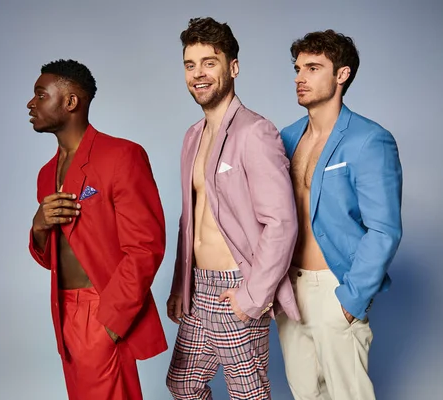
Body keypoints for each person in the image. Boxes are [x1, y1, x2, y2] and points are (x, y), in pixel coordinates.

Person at [165, 17, 299, 400]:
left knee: (249, 395)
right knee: (183, 383)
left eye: (210, 62)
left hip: (236, 286)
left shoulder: (255, 132)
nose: (198, 74)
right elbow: (188, 220)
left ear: (233, 68)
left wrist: (253, 296)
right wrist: (181, 285)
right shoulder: (193, 136)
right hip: (197, 285)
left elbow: (282, 223)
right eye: (190, 65)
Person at [27, 59, 167, 400]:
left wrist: (111, 323)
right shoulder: (46, 174)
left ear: (71, 102)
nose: (31, 104)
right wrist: (39, 226)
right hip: (63, 311)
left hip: (103, 307)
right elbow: (53, 259)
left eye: (41, 95)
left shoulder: (122, 156)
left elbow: (146, 248)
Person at [276, 30, 403, 400]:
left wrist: (350, 302)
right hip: (290, 291)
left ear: (341, 74)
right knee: (305, 393)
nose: (300, 77)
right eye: (298, 68)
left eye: (313, 68)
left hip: (335, 288)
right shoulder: (286, 137)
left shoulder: (369, 139)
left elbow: (384, 230)